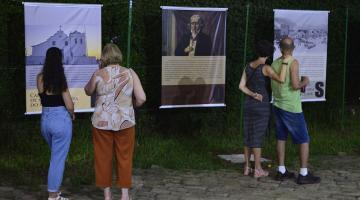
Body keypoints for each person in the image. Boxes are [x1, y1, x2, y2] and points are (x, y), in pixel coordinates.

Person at [84, 43, 146, 200]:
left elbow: (87, 91)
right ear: (119, 55)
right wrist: (132, 107)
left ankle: (107, 195)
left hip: (101, 123)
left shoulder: (98, 74)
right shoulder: (130, 73)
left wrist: (98, 71)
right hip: (125, 122)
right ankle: (124, 195)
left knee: (103, 158)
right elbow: (142, 98)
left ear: (104, 57)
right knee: (125, 157)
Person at [271, 37, 320, 184]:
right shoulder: (293, 62)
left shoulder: (274, 63)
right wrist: (305, 81)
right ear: (293, 48)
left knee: (281, 138)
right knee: (303, 139)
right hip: (292, 107)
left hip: (278, 105)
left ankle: (281, 170)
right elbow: (294, 85)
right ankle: (303, 174)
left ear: (280, 48)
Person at [239, 40, 288, 178]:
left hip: (249, 104)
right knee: (257, 137)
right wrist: (285, 62)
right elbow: (281, 79)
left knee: (248, 135)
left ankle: (247, 167)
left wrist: (253, 94)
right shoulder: (266, 68)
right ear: (268, 54)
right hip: (261, 106)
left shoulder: (248, 66)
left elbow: (241, 86)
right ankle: (258, 169)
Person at [37, 47, 75, 200]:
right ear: (59, 60)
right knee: (57, 160)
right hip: (60, 120)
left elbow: (43, 97)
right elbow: (69, 104)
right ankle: (53, 195)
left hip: (45, 120)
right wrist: (72, 114)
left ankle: (55, 192)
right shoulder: (60, 78)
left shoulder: (40, 77)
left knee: (55, 157)